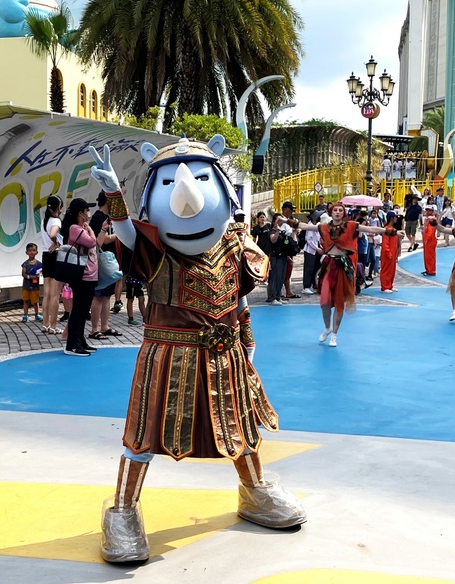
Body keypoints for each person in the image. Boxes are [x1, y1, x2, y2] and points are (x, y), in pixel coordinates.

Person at [88, 137, 305, 563]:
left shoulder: (236, 245)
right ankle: (123, 509)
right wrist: (114, 195)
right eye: (168, 184)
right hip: (167, 358)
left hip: (226, 354)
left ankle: (254, 491)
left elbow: (240, 298)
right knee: (143, 433)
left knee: (241, 424)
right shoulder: (154, 253)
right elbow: (129, 238)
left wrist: (247, 339)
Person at [297, 201, 387, 345]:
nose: (338, 212)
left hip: (343, 266)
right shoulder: (324, 227)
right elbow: (305, 226)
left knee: (339, 301)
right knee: (324, 301)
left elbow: (370, 228)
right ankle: (327, 327)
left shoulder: (351, 226)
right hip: (328, 266)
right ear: (331, 213)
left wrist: (389, 231)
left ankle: (334, 334)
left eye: (340, 210)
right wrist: (286, 221)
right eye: (335, 210)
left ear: (344, 213)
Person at [60, 198, 99, 356]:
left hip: (90, 275)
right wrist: (90, 229)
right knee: (78, 309)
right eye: (86, 211)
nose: (88, 213)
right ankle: (72, 345)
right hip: (82, 275)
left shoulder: (81, 228)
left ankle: (80, 340)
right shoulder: (75, 228)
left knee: (84, 310)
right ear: (80, 213)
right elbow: (92, 242)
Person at [89, 192, 123, 341]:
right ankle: (94, 329)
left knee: (107, 296)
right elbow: (102, 240)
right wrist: (119, 235)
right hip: (101, 261)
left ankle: (104, 326)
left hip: (110, 261)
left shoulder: (110, 218)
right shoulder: (98, 218)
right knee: (98, 296)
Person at [40, 196, 65, 335]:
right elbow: (52, 234)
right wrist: (56, 243)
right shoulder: (56, 221)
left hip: (46, 255)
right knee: (55, 294)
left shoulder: (44, 220)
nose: (61, 210)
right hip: (55, 254)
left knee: (47, 293)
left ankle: (45, 324)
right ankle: (53, 326)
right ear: (57, 208)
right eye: (60, 207)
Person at [267, 214, 297, 305]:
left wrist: (294, 231)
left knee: (281, 277)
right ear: (274, 221)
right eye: (278, 220)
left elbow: (289, 241)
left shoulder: (282, 231)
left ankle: (278, 296)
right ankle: (273, 298)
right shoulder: (272, 231)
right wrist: (277, 231)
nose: (280, 221)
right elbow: (273, 240)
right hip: (276, 257)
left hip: (283, 256)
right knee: (276, 277)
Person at [279, 201, 300, 299]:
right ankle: (282, 291)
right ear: (285, 209)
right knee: (284, 271)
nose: (292, 211)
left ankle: (287, 291)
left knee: (288, 271)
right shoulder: (281, 221)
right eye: (290, 209)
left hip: (290, 249)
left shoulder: (289, 221)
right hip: (284, 250)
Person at [379, 212, 404, 291]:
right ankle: (385, 286)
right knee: (386, 270)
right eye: (395, 217)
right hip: (388, 253)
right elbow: (385, 243)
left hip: (393, 252)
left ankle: (389, 285)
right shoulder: (387, 229)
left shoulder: (392, 229)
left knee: (391, 270)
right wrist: (388, 252)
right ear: (392, 218)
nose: (396, 218)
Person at [301, 211, 323, 295]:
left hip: (316, 250)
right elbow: (309, 240)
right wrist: (316, 248)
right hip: (310, 250)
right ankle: (306, 286)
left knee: (314, 268)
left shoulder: (317, 225)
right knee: (308, 268)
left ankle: (312, 285)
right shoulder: (309, 226)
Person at [21, 243, 43, 323]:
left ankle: (37, 314)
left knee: (35, 301)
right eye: (30, 251)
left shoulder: (39, 264)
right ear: (26, 252)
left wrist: (39, 274)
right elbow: (23, 274)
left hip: (35, 286)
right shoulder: (25, 264)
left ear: (37, 252)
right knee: (26, 301)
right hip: (26, 286)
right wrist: (30, 277)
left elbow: (41, 272)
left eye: (33, 250)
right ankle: (25, 315)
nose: (32, 252)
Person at [421, 203, 438, 277]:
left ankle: (431, 270)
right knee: (427, 256)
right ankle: (428, 269)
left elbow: (430, 231)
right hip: (427, 240)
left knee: (430, 256)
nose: (427, 211)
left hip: (430, 240)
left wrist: (426, 239)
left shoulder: (432, 219)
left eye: (429, 210)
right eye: (427, 210)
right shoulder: (428, 219)